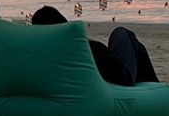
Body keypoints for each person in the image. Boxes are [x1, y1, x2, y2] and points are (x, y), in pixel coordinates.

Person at [31, 6, 159, 86]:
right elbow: (110, 64)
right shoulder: (77, 47)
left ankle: (154, 88)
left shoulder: (42, 55)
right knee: (121, 33)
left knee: (135, 47)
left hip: (106, 75)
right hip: (119, 77)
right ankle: (155, 88)